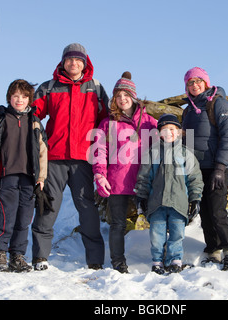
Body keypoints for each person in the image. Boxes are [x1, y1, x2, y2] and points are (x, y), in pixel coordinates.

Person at [30, 43, 109, 271]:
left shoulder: (95, 87)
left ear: (85, 63)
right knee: (48, 206)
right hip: (54, 157)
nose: (73, 64)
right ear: (63, 62)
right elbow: (32, 113)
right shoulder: (49, 87)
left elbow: (106, 119)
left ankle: (95, 261)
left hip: (83, 158)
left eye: (78, 60)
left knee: (87, 209)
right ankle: (40, 258)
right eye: (69, 60)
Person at [0, 79, 48, 272]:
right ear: (9, 97)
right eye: (15, 96)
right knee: (6, 217)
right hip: (6, 176)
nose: (19, 100)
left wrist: (41, 178)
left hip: (28, 177)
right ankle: (0, 253)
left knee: (24, 219)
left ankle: (17, 255)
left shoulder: (34, 122)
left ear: (29, 99)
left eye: (23, 96)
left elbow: (42, 150)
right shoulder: (1, 118)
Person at [90, 72, 158, 273]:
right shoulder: (107, 123)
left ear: (133, 96)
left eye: (125, 95)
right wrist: (100, 174)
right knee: (117, 224)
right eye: (118, 96)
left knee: (155, 221)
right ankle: (118, 262)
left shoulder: (149, 122)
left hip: (143, 180)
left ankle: (158, 260)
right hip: (117, 181)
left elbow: (162, 148)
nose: (122, 100)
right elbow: (99, 151)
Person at [181, 67, 228, 271]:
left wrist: (220, 167)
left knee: (217, 211)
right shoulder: (187, 110)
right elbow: (185, 143)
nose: (194, 85)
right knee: (204, 213)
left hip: (216, 167)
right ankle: (212, 250)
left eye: (198, 81)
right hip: (196, 170)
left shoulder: (218, 102)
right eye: (190, 82)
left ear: (206, 82)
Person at [134, 114, 203, 274]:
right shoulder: (152, 153)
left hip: (179, 203)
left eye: (172, 129)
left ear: (179, 132)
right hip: (156, 203)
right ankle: (157, 261)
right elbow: (144, 177)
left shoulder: (186, 154)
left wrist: (195, 199)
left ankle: (175, 260)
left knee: (177, 234)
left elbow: (195, 179)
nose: (168, 133)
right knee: (156, 235)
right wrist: (141, 196)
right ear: (159, 134)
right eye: (164, 130)